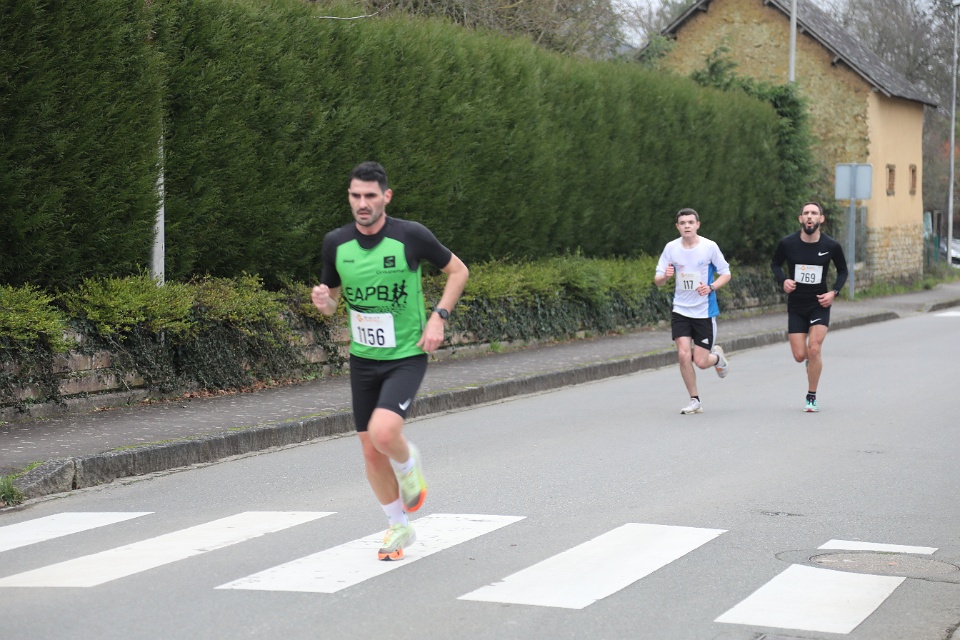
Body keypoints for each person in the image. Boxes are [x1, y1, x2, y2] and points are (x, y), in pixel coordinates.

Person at [311, 161, 469, 560]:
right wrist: (324, 301)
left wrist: (438, 317)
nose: (362, 203)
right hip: (363, 359)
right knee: (369, 450)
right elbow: (332, 303)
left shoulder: (409, 236)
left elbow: (458, 271)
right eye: (355, 196)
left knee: (384, 433)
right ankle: (399, 526)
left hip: (406, 354)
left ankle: (408, 462)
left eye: (370, 195)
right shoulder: (336, 243)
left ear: (386, 197)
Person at [770, 200, 848, 413]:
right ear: (800, 219)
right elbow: (775, 264)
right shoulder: (787, 243)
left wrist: (833, 292)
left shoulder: (831, 246)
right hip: (796, 305)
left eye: (814, 213)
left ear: (821, 219)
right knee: (799, 355)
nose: (810, 216)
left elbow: (843, 271)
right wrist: (784, 280)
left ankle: (811, 396)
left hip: (819, 303)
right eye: (806, 213)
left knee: (814, 348)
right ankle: (809, 362)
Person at [654, 208, 731, 415]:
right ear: (677, 227)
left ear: (697, 225)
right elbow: (658, 280)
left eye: (690, 222)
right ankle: (694, 400)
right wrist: (665, 276)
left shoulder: (709, 247)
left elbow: (726, 273)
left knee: (701, 362)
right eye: (682, 223)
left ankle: (717, 358)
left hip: (704, 312)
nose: (686, 226)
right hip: (681, 310)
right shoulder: (671, 248)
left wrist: (711, 287)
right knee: (683, 354)